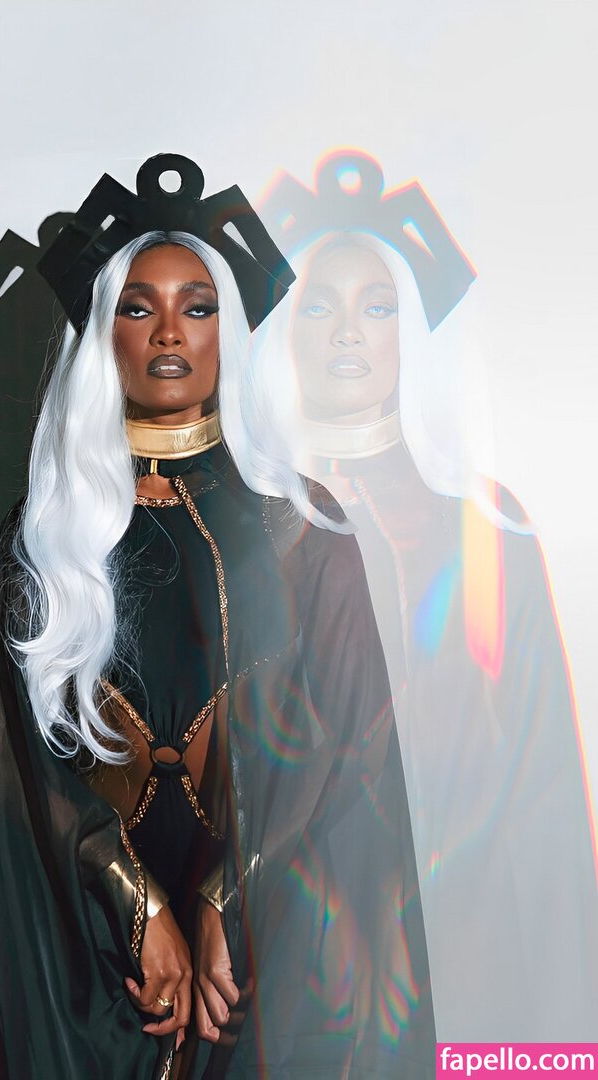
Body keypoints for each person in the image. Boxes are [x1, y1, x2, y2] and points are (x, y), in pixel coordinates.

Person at [0, 154, 435, 1078]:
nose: (168, 332)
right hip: (80, 959)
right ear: (102, 337)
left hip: (267, 952)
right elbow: (11, 767)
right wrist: (138, 906)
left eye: (198, 307)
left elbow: (348, 741)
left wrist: (228, 902)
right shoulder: (42, 539)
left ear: (230, 334)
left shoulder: (301, 529)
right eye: (136, 307)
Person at [255, 151, 598, 1040]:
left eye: (378, 307)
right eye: (319, 306)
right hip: (288, 963)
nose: (348, 334)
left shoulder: (484, 530)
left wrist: (559, 1028)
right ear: (284, 331)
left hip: (464, 946)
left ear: (413, 331)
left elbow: (542, 785)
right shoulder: (244, 530)